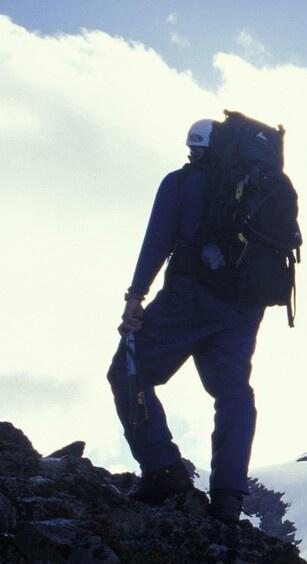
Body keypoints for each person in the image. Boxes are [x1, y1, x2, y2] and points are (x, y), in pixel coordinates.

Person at [106, 119, 266, 524]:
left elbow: (158, 238)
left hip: (191, 294)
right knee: (232, 393)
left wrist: (135, 296)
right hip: (246, 306)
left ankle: (163, 469)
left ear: (198, 149)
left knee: (128, 371)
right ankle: (229, 497)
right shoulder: (261, 189)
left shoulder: (183, 182)